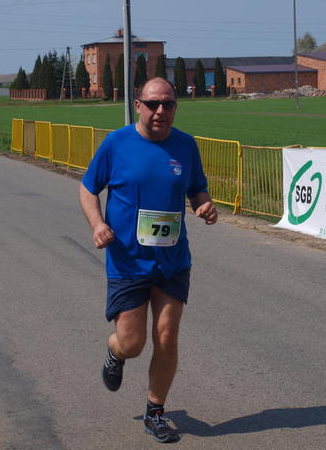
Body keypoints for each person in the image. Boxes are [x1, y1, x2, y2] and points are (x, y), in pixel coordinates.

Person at [79, 77, 217, 443]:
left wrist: (204, 205)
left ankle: (155, 411)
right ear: (138, 105)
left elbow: (197, 188)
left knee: (167, 335)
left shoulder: (185, 145)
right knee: (133, 342)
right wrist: (97, 224)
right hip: (128, 260)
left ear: (175, 107)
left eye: (168, 104)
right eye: (153, 104)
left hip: (172, 260)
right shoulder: (116, 143)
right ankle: (115, 353)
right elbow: (88, 188)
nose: (160, 111)